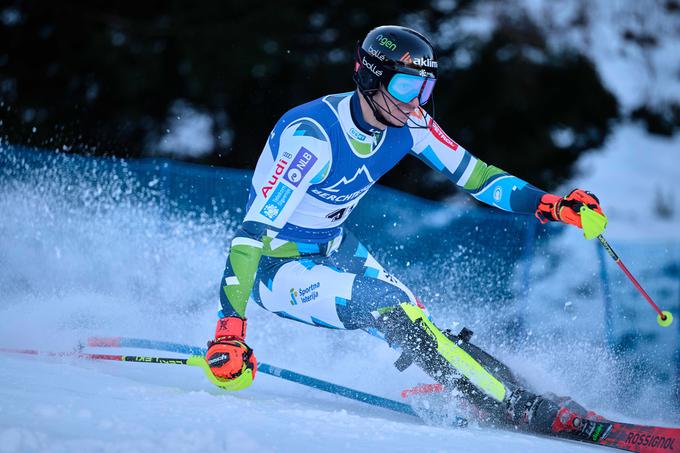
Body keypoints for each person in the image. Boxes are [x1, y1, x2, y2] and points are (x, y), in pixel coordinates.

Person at [204, 25, 607, 434]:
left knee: (417, 318)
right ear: (370, 77)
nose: (416, 103)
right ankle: (519, 407)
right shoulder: (312, 139)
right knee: (392, 305)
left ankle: (505, 392)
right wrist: (229, 331)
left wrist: (551, 205)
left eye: (425, 89)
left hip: (334, 243)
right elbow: (251, 235)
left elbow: (478, 177)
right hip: (275, 268)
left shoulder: (410, 122)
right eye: (405, 86)